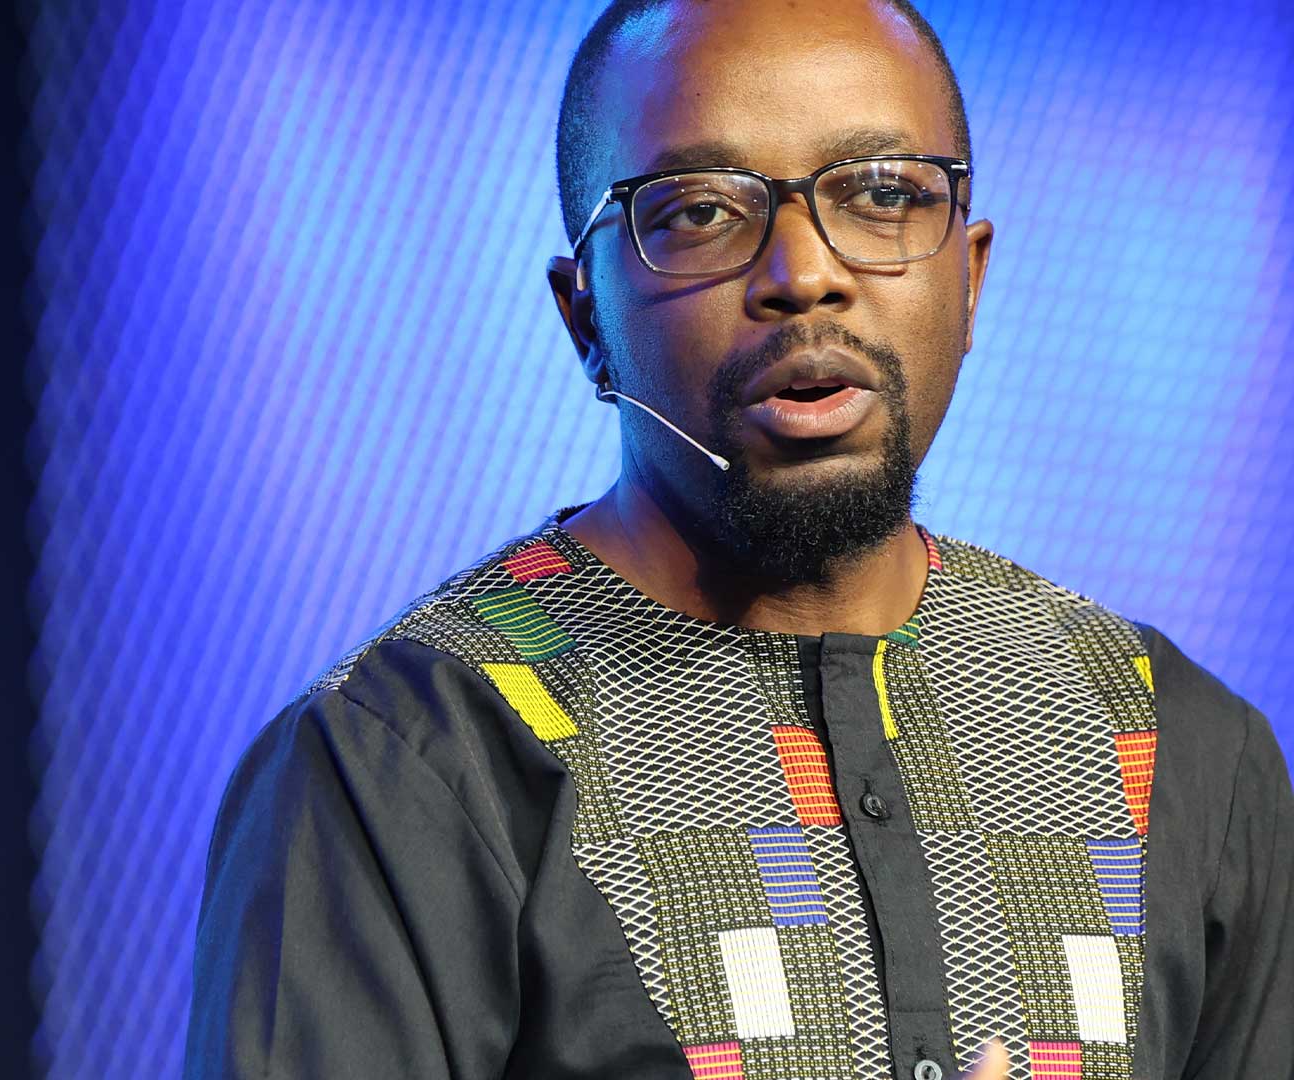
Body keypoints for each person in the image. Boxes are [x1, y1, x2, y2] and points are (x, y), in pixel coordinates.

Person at [182, 0, 1294, 1076]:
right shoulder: (407, 760)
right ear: (586, 317)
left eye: (883, 193)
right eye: (701, 212)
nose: (804, 275)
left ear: (970, 277)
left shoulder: (1180, 746)